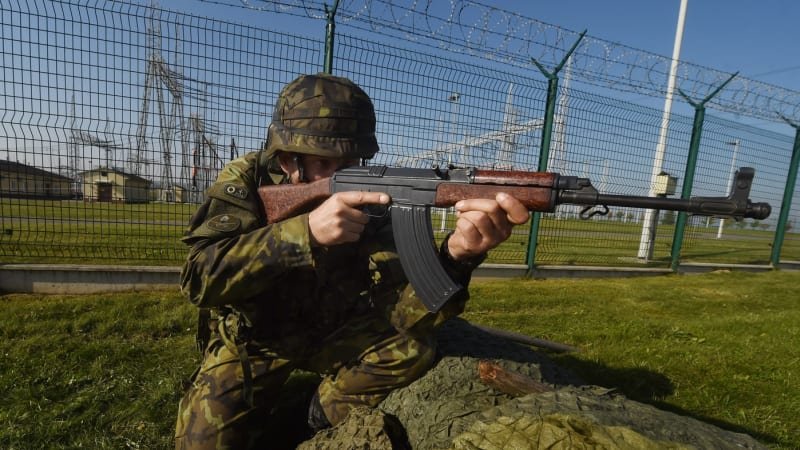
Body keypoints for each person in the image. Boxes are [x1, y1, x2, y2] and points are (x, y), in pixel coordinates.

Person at [174, 72, 529, 449]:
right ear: (288, 159)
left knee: (411, 349)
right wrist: (303, 232)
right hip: (258, 338)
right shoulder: (246, 181)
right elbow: (198, 278)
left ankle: (312, 417)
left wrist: (457, 256)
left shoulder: (378, 195)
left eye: (353, 160)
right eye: (326, 162)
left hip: (333, 327)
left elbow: (403, 315)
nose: (344, 175)